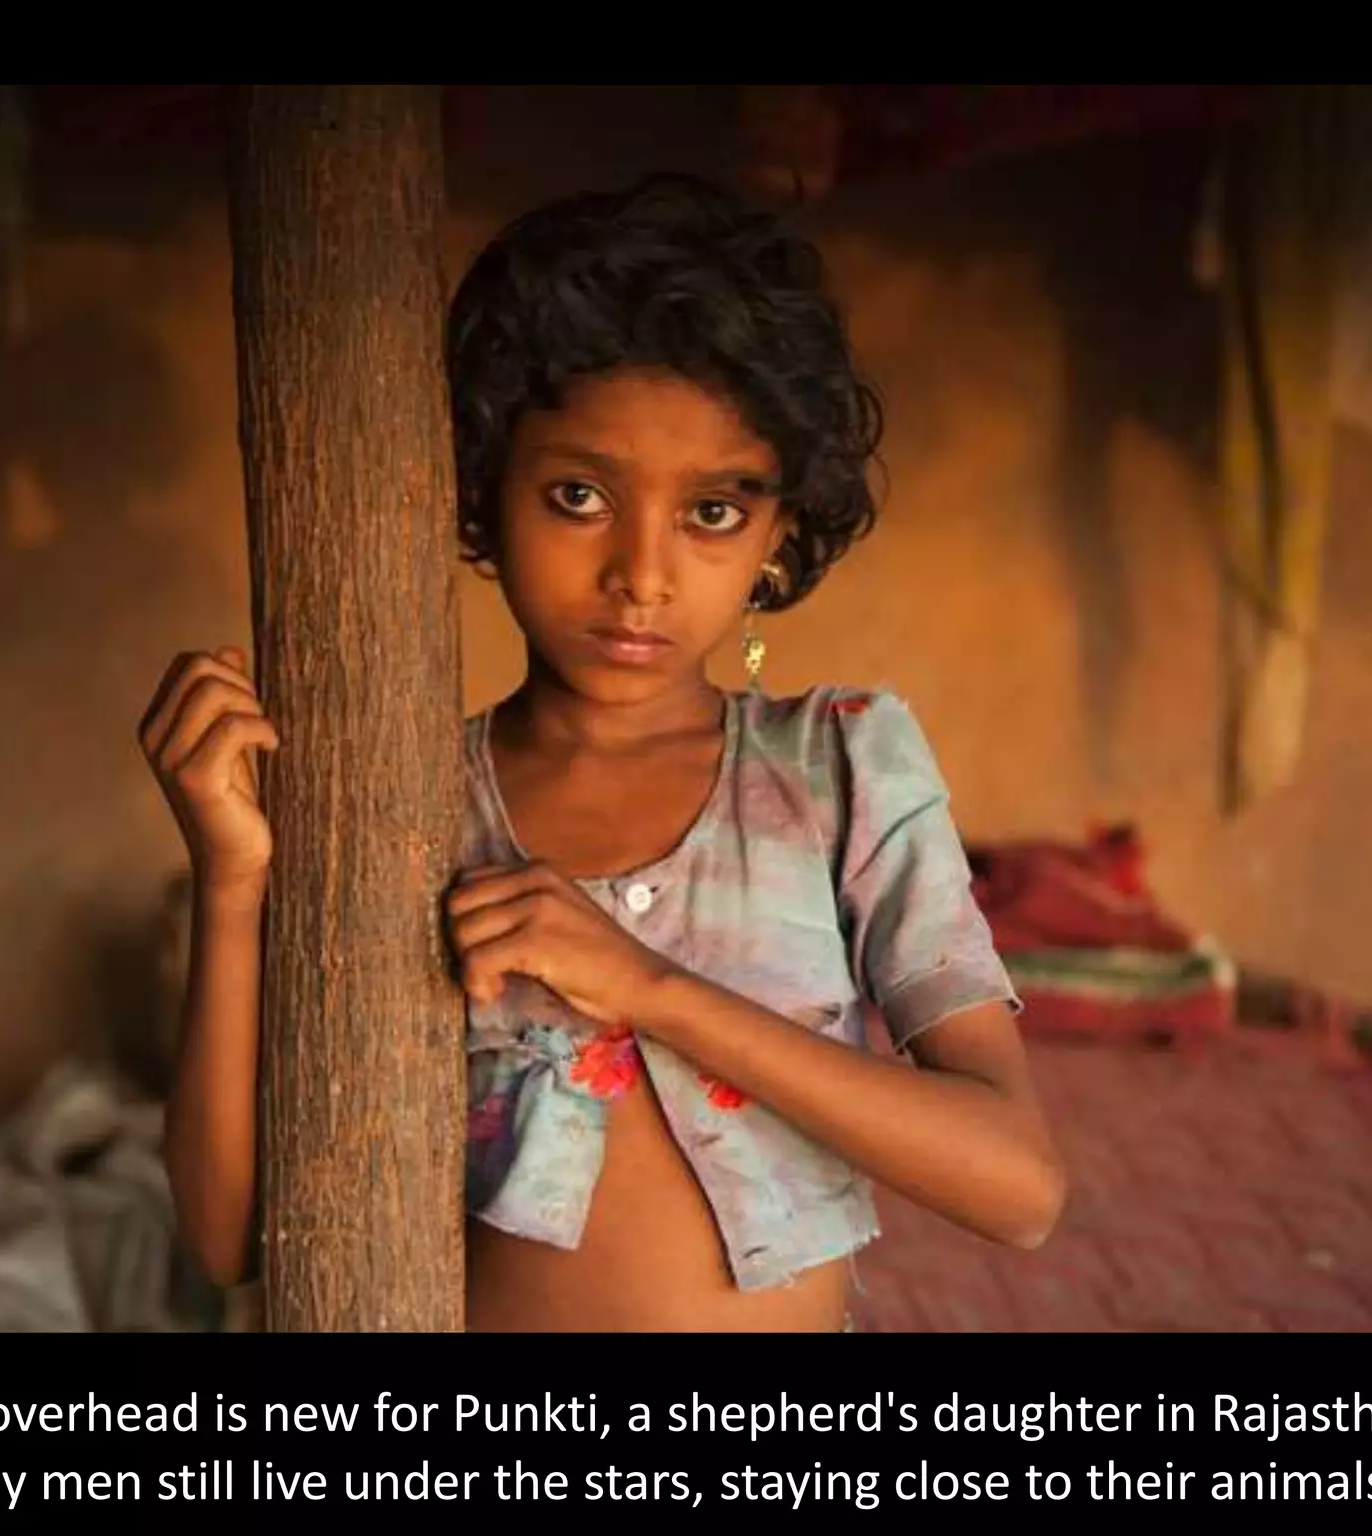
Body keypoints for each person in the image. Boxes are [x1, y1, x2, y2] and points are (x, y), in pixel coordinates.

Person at [141, 174, 1064, 1332]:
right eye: (578, 496)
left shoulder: (837, 771)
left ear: (777, 534)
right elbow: (229, 1235)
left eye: (712, 512)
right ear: (483, 491)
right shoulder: (404, 800)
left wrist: (646, 987)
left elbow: (1017, 1186)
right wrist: (233, 882)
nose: (641, 575)